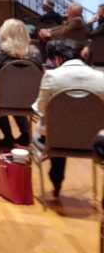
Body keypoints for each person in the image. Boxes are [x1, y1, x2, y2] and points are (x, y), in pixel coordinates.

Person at [33, 38, 104, 199]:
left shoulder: (51, 75)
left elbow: (42, 108)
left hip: (56, 139)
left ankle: (56, 179)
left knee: (56, 128)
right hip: (92, 141)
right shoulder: (101, 77)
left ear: (58, 58)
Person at [0, 19, 42, 149]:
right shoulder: (36, 54)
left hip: (2, 101)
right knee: (18, 97)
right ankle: (26, 132)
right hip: (30, 101)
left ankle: (8, 136)